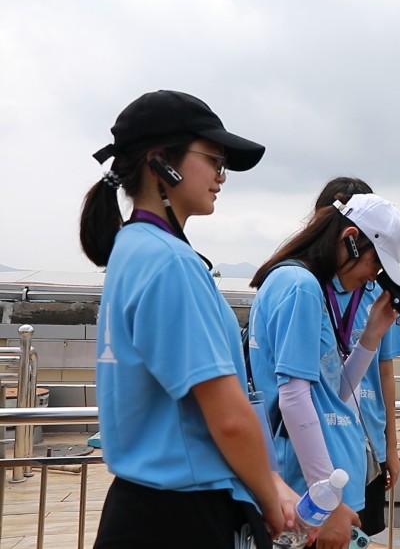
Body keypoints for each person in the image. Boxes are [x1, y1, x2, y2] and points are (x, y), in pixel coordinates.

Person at [82, 90, 297, 548]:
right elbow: (228, 417)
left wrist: (269, 484)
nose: (222, 176)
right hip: (182, 515)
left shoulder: (133, 249)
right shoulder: (170, 262)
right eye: (214, 160)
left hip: (141, 508)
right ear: (162, 162)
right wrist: (269, 494)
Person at [247, 192, 400, 548]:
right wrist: (327, 502)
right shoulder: (302, 287)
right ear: (350, 239)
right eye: (374, 264)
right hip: (310, 496)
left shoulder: (294, 282)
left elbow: (331, 395)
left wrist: (370, 337)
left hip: (317, 489)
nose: (371, 279)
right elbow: (293, 399)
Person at [314, 177, 400, 537]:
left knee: (359, 536)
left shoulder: (374, 294)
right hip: (321, 443)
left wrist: (390, 448)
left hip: (365, 443)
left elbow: (386, 374)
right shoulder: (307, 287)